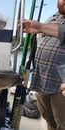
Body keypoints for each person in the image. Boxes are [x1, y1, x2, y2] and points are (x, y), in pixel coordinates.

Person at [19, 0, 65, 129]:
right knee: (50, 121)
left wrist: (40, 27)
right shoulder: (52, 18)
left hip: (60, 85)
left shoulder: (46, 24)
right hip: (42, 81)